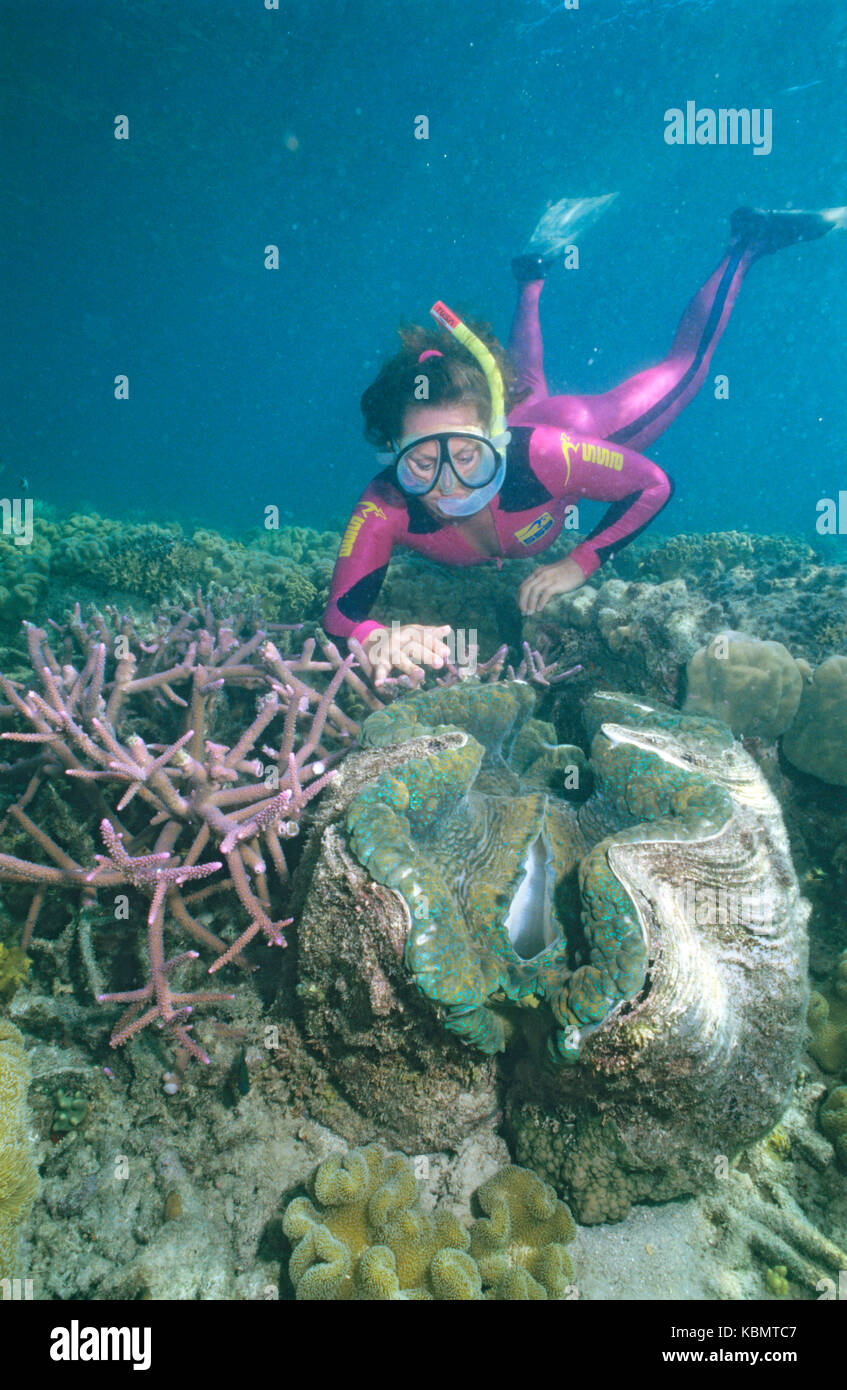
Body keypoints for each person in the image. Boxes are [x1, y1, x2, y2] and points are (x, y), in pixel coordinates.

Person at [323, 204, 845, 686]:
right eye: (421, 463)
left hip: (583, 426)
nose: (450, 485)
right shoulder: (385, 503)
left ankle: (748, 241)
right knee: (526, 382)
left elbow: (651, 485)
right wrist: (375, 635)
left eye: (466, 457)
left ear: (495, 440)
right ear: (393, 456)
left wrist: (583, 560)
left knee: (684, 371)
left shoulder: (551, 457)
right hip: (516, 417)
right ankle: (532, 278)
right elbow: (340, 615)